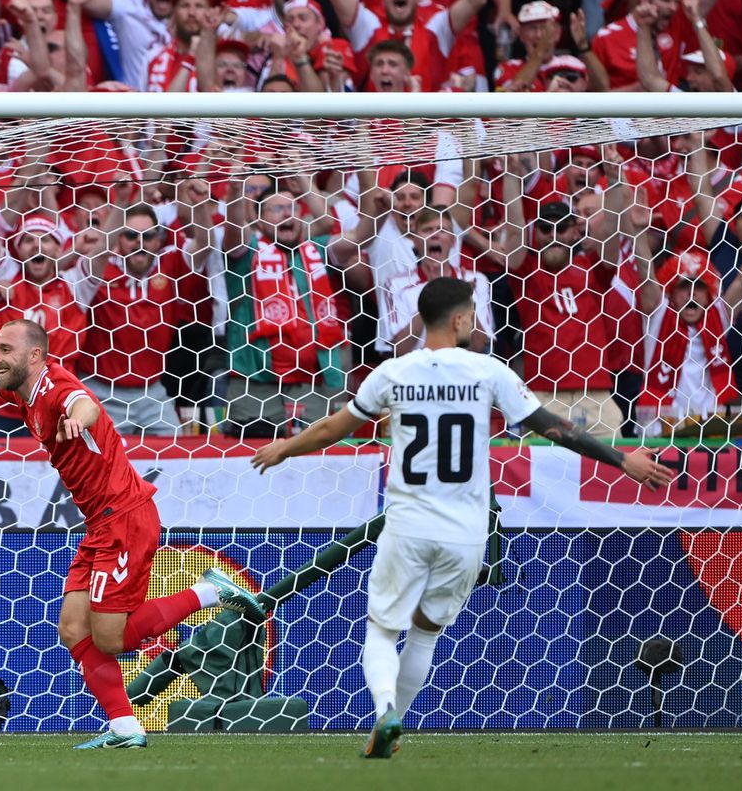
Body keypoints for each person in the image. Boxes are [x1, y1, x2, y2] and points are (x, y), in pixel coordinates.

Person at [252, 277, 673, 758]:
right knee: (426, 632)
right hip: (466, 532)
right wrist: (623, 461)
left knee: (383, 630)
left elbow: (333, 427)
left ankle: (385, 708)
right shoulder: (488, 371)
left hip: (408, 522)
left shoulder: (393, 373)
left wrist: (285, 448)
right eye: (472, 314)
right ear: (458, 319)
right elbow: (554, 428)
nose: (474, 321)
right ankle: (393, 729)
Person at [0, 317, 261, 749]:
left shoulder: (56, 388)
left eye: (5, 349)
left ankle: (209, 592)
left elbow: (86, 404)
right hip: (101, 523)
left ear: (35, 355)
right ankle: (124, 726)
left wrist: (78, 420)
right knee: (73, 628)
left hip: (126, 518)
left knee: (111, 637)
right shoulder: (20, 387)